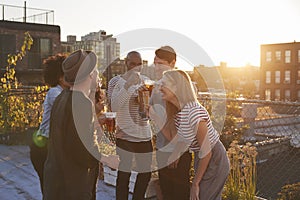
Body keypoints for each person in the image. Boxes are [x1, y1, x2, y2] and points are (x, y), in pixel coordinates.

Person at [43, 49, 119, 200]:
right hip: (72, 186)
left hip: (57, 181)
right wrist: (107, 159)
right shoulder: (81, 103)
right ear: (90, 75)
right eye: (96, 70)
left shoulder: (62, 98)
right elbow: (82, 151)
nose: (97, 74)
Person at [159, 69, 230, 200]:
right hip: (201, 157)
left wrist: (195, 184)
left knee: (201, 196)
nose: (160, 87)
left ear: (177, 87)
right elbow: (178, 139)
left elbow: (207, 152)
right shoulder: (178, 112)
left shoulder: (194, 112)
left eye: (164, 84)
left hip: (213, 158)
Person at [149, 46, 192, 200]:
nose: (156, 67)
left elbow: (189, 123)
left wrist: (178, 151)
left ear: (173, 63)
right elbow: (149, 113)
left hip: (180, 151)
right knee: (167, 192)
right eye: (155, 63)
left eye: (160, 63)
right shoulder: (155, 87)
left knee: (180, 194)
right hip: (162, 148)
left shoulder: (184, 86)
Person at [111, 51, 153, 200]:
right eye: (132, 63)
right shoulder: (115, 82)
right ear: (125, 63)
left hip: (144, 135)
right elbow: (114, 107)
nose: (136, 67)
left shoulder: (146, 81)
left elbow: (146, 112)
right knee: (124, 175)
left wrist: (145, 101)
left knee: (145, 174)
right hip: (125, 136)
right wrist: (128, 87)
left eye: (139, 64)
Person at [29, 53, 69, 194]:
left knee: (56, 190)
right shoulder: (55, 93)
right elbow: (70, 111)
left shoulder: (65, 92)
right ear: (59, 77)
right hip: (43, 148)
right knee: (50, 190)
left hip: (52, 147)